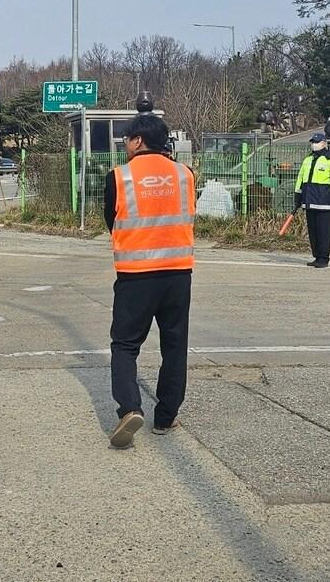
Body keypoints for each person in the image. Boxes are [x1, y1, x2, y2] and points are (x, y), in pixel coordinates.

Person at [102, 113, 196, 448]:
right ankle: (166, 417)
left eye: (127, 139)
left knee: (125, 345)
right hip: (178, 274)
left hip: (135, 276)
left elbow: (111, 222)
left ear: (138, 140)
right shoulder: (186, 175)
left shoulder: (120, 177)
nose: (125, 145)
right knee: (174, 345)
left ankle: (130, 408)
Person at [293, 132, 330, 268]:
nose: (314, 145)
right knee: (313, 232)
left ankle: (323, 258)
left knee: (324, 232)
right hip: (309, 202)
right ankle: (316, 256)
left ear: (324, 143)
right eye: (312, 142)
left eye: (316, 142)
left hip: (325, 203)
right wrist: (298, 197)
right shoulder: (308, 159)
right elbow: (300, 179)